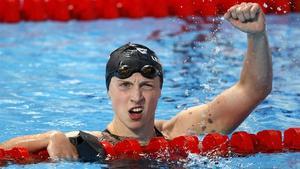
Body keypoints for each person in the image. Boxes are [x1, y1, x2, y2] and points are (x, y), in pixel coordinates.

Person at [0, 2, 272, 161]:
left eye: (146, 85)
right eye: (125, 85)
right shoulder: (87, 144)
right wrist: (50, 139)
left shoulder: (183, 131)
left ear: (160, 91)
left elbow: (253, 90)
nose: (136, 96)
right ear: (109, 91)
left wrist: (257, 36)